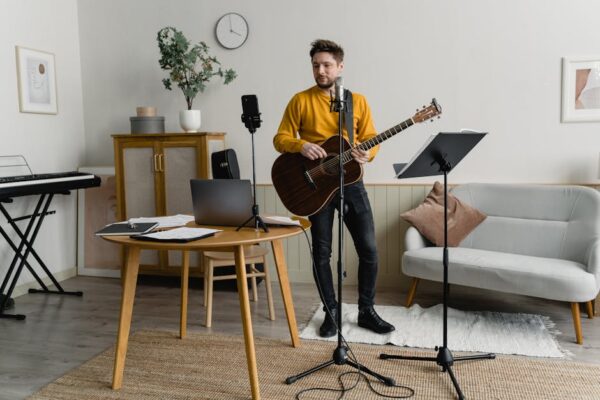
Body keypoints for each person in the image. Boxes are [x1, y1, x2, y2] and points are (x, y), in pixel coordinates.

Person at [273, 39, 395, 338]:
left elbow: (370, 136)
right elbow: (280, 138)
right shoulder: (300, 101)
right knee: (321, 253)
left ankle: (366, 311)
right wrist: (301, 146)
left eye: (327, 65)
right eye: (316, 65)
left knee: (369, 249)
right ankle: (331, 311)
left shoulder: (358, 101)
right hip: (313, 186)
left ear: (340, 67)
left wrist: (369, 153)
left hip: (351, 182)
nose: (321, 70)